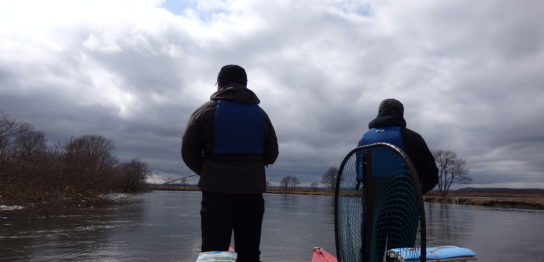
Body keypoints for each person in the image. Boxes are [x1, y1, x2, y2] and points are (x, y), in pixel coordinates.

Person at [181, 64, 279, 262]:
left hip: (216, 196)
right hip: (252, 195)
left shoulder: (204, 111)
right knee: (250, 253)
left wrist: (207, 171)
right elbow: (272, 155)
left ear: (219, 84)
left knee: (214, 253)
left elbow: (188, 152)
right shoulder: (261, 115)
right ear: (245, 84)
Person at [358, 98, 438, 193]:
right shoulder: (413, 138)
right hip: (405, 202)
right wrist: (418, 193)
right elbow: (432, 175)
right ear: (401, 114)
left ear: (379, 112)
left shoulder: (363, 139)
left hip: (370, 203)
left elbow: (359, 173)